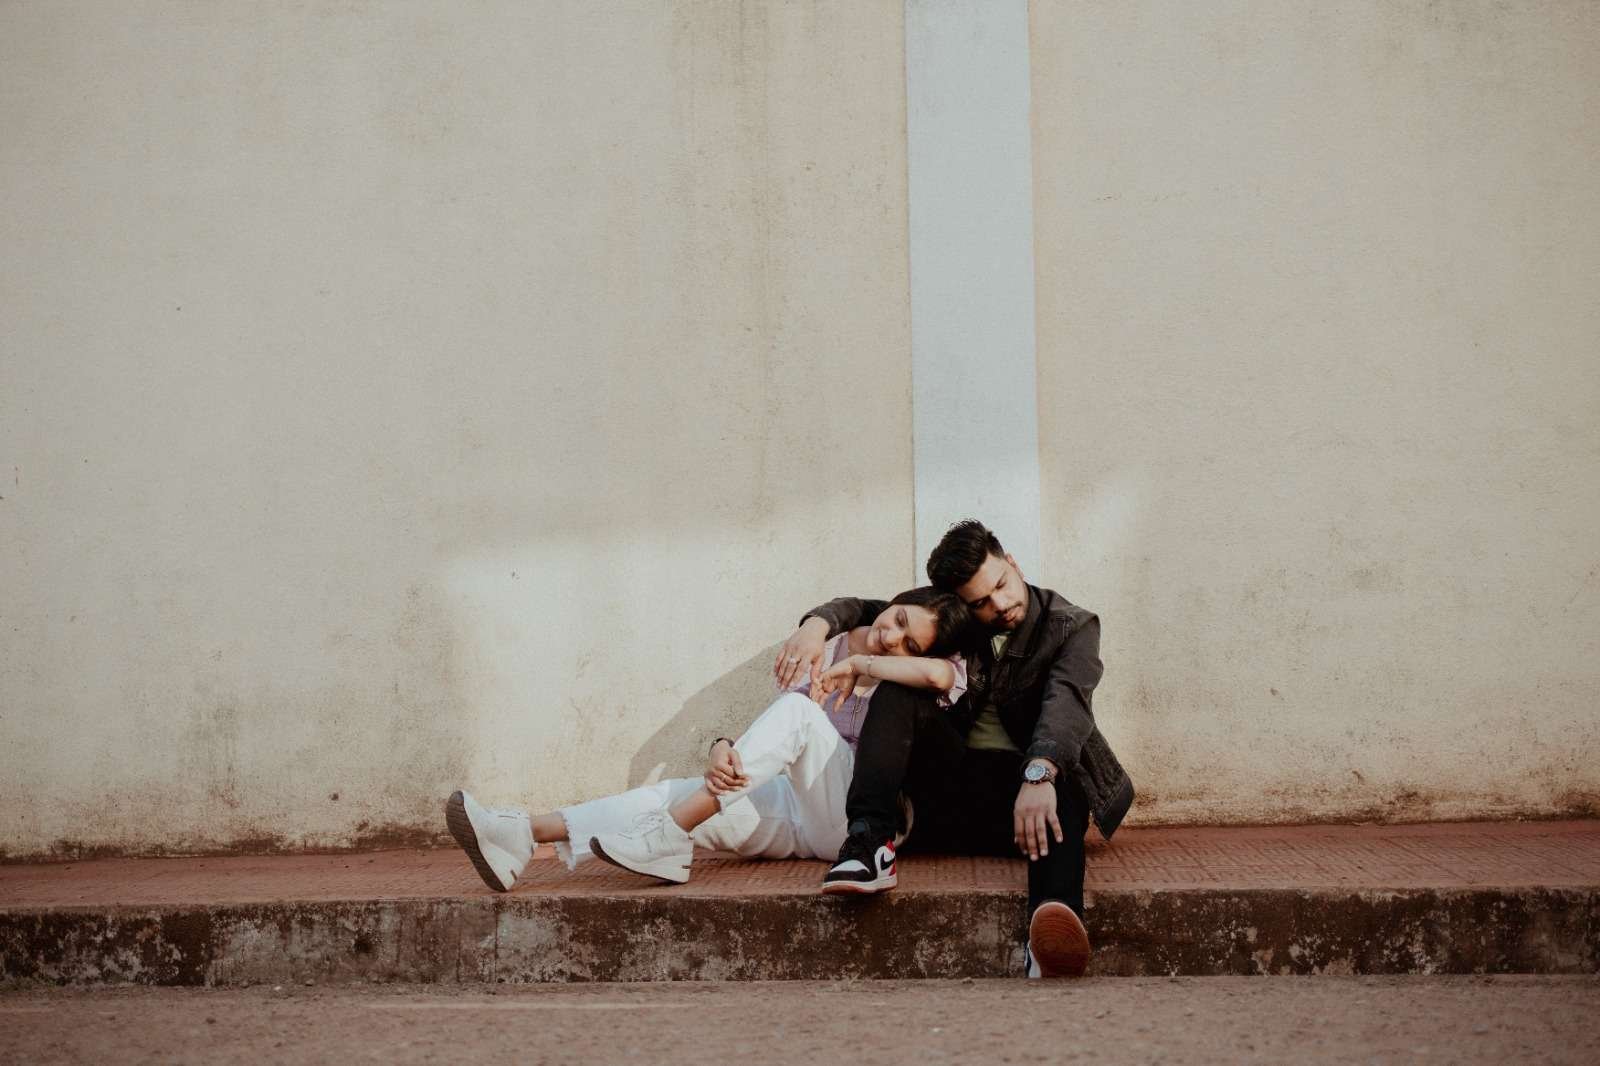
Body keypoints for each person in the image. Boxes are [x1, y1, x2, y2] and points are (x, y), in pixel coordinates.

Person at [784, 520, 1134, 979]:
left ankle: (1050, 930)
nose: (999, 605)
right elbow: (871, 609)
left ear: (1012, 564)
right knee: (900, 686)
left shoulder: (1071, 625)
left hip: (1022, 793)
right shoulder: (962, 621)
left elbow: (1066, 702)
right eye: (981, 602)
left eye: (1002, 586)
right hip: (943, 788)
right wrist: (816, 625)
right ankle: (868, 845)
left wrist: (1039, 771)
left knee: (1066, 790)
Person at [444, 587, 968, 892]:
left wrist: (865, 665)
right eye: (898, 619)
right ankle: (519, 835)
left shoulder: (927, 676)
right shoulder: (828, 647)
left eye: (909, 643)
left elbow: (939, 675)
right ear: (892, 602)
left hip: (855, 820)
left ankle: (669, 836)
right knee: (674, 793)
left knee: (797, 714)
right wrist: (725, 747)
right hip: (800, 811)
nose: (892, 637)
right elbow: (778, 734)